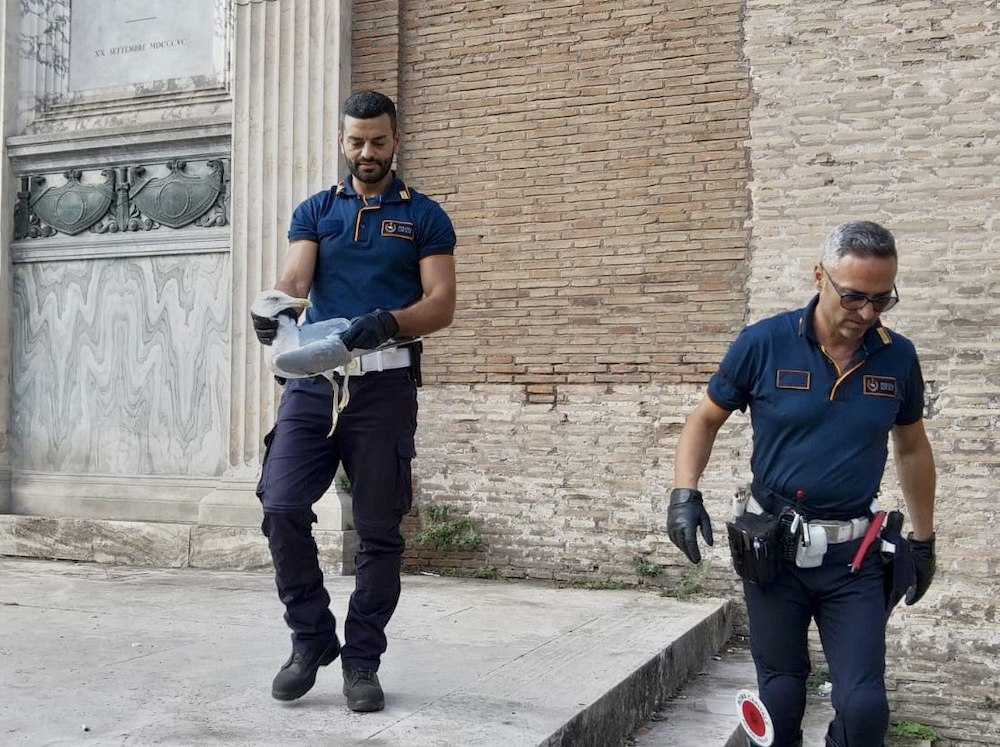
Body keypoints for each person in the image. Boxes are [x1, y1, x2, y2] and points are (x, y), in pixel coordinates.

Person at [667, 222, 936, 747]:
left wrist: (924, 541)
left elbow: (912, 447)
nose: (867, 313)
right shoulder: (764, 344)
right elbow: (704, 419)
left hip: (854, 560)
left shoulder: (898, 357)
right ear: (819, 276)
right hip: (773, 552)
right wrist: (684, 493)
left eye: (882, 299)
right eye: (853, 296)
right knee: (780, 698)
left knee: (863, 709)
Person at [250, 90, 457, 712]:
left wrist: (390, 322)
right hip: (314, 384)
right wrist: (273, 311)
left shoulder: (425, 216)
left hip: (384, 388)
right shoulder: (317, 210)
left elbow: (441, 304)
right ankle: (311, 637)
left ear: (396, 141)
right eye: (356, 141)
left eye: (378, 141)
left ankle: (362, 660)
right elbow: (295, 282)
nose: (367, 152)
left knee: (377, 531)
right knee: (281, 504)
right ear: (343, 142)